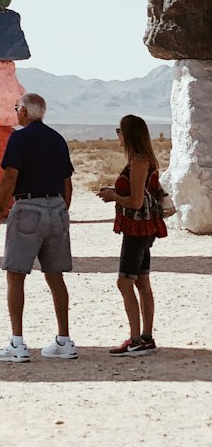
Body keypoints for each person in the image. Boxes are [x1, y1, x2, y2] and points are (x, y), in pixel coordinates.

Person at [0, 92, 77, 362]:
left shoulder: (19, 138)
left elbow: (10, 177)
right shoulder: (57, 139)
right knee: (55, 274)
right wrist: (63, 211)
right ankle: (64, 340)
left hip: (28, 208)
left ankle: (17, 343)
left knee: (15, 274)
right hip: (56, 209)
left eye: (17, 108)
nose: (16, 112)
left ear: (25, 112)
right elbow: (67, 182)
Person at [97, 114, 167, 355]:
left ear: (128, 134)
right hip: (146, 228)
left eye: (119, 130)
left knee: (124, 282)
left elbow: (136, 202)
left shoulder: (138, 162)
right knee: (142, 282)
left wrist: (113, 196)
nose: (117, 134)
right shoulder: (146, 160)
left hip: (137, 228)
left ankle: (136, 339)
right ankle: (146, 337)